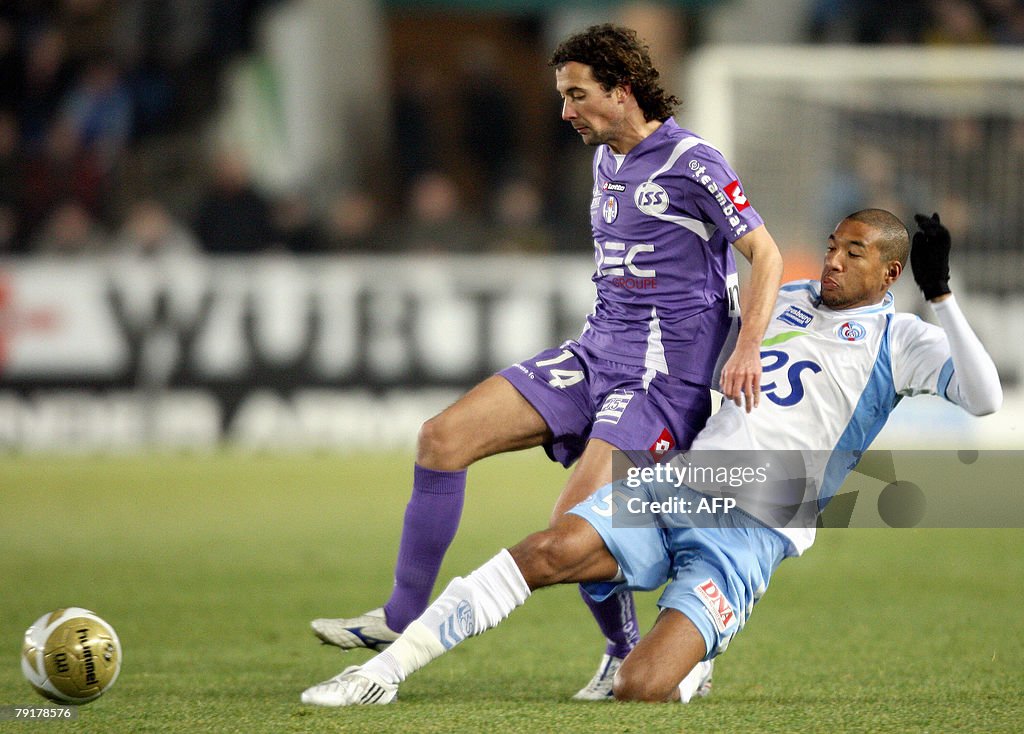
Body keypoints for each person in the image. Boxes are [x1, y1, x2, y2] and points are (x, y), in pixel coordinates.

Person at [300, 209, 1001, 706]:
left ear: (891, 269)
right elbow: (699, 342)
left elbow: (984, 399)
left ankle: (679, 659)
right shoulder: (780, 300)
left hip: (764, 517)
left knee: (645, 690)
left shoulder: (905, 340)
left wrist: (941, 298)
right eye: (831, 246)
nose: (834, 260)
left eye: (853, 252)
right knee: (552, 546)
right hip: (692, 480)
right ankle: (386, 672)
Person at [309, 24, 784, 699]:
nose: (565, 111)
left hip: (658, 379)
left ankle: (625, 652)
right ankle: (399, 615)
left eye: (576, 95)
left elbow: (763, 253)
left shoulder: (693, 160)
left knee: (573, 525)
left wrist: (747, 346)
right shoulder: (603, 159)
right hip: (595, 353)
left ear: (621, 92)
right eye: (562, 95)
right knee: (441, 438)